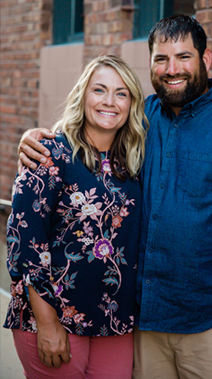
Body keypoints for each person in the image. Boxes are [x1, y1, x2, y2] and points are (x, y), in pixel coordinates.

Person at [19, 14, 212, 379]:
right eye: (161, 59)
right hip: (143, 317)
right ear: (150, 64)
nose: (172, 69)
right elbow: (88, 133)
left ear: (205, 59)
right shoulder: (139, 117)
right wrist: (38, 137)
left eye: (183, 57)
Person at [5, 55, 147, 378]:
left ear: (132, 103)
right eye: (99, 90)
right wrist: (47, 322)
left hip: (114, 321)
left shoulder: (134, 162)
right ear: (83, 95)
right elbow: (25, 245)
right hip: (53, 317)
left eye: (121, 93)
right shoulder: (49, 154)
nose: (109, 101)